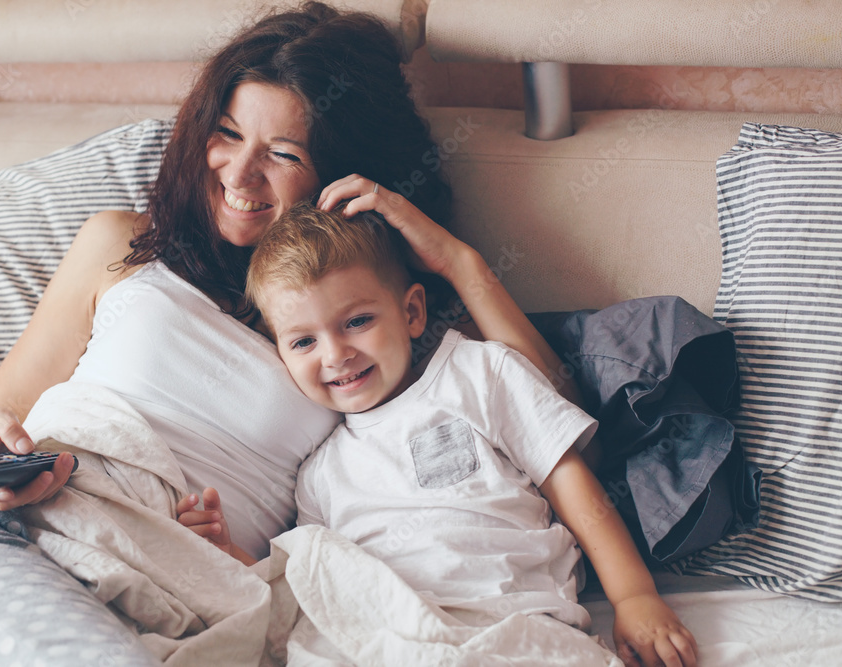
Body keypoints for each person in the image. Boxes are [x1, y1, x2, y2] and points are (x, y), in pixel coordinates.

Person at [0, 2, 586, 664]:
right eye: (227, 134)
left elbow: (542, 403)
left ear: (341, 173)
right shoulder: (120, 244)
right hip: (10, 533)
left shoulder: (363, 326)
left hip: (179, 603)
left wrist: (458, 262)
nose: (240, 172)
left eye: (284, 153)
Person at [179, 202, 699, 667]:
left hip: (509, 625)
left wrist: (633, 596)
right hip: (383, 637)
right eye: (303, 341)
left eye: (357, 321)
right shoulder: (319, 471)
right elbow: (315, 587)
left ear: (411, 311)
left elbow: (570, 481)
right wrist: (234, 557)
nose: (335, 355)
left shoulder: (479, 373)